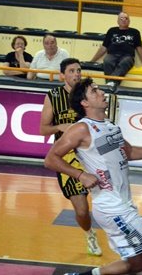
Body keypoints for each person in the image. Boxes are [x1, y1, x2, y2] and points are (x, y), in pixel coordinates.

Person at [45, 77, 142, 275]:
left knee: (138, 263)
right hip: (112, 207)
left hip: (123, 203)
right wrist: (80, 175)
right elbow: (50, 159)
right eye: (94, 91)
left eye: (99, 89)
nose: (101, 92)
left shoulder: (110, 126)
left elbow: (130, 152)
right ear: (85, 102)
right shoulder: (81, 128)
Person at [40, 59, 103, 257]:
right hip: (68, 157)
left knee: (110, 203)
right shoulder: (54, 96)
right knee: (82, 210)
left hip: (93, 154)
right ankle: (89, 233)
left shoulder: (90, 94)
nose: (77, 74)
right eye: (72, 70)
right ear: (62, 75)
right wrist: (59, 126)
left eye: (79, 70)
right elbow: (43, 129)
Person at [90, 12, 142, 92]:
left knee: (125, 62)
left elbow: (139, 49)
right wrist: (92, 61)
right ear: (117, 21)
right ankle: (112, 85)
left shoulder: (135, 32)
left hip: (127, 56)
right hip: (112, 55)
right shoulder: (111, 30)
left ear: (129, 21)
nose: (124, 20)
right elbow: (103, 48)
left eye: (126, 18)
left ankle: (110, 84)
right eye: (121, 18)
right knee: (107, 60)